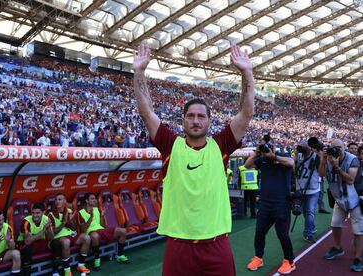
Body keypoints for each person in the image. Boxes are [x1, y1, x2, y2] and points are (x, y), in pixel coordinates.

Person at [133, 43, 254, 276]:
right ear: (183, 121)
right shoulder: (171, 145)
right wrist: (139, 72)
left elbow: (246, 113)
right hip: (179, 245)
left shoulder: (221, 145)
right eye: (190, 116)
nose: (196, 121)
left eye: (201, 116)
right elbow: (146, 112)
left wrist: (246, 73)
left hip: (216, 243)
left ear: (209, 121)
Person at [245, 143, 296, 274]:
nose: (266, 152)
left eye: (268, 148)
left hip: (281, 204)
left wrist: (274, 156)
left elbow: (291, 162)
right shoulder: (262, 160)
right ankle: (258, 257)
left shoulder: (283, 156)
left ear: (274, 149)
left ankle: (289, 261)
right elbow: (247, 165)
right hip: (265, 204)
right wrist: (257, 153)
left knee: (282, 234)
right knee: (259, 232)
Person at [319, 139, 363, 272]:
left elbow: (350, 180)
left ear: (345, 147)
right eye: (334, 147)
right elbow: (321, 174)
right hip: (340, 199)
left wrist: (336, 167)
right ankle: (338, 248)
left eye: (339, 147)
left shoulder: (352, 159)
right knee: (335, 224)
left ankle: (358, 258)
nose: (337, 150)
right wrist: (323, 159)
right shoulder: (328, 158)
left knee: (358, 230)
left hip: (354, 199)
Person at [78, 193, 130, 272]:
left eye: (95, 198)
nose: (94, 200)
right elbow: (84, 229)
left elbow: (101, 224)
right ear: (87, 201)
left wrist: (102, 216)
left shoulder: (97, 209)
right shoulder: (81, 212)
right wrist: (91, 217)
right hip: (91, 232)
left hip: (101, 229)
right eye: (92, 198)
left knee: (123, 231)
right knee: (95, 236)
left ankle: (119, 255)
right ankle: (97, 259)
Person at [48, 193, 91, 276]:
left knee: (86, 237)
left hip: (71, 234)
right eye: (56, 200)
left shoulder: (69, 211)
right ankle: (67, 269)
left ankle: (81, 265)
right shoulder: (51, 214)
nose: (57, 201)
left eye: (60, 199)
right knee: (66, 242)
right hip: (59, 237)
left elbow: (73, 228)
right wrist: (64, 222)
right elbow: (53, 232)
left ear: (64, 201)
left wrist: (71, 221)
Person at [18, 202, 54, 276]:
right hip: (24, 245)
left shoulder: (47, 219)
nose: (35, 215)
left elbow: (51, 238)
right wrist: (44, 230)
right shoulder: (26, 221)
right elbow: (27, 242)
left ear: (43, 212)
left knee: (55, 243)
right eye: (33, 213)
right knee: (27, 248)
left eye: (38, 213)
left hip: (40, 243)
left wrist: (49, 228)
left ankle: (56, 272)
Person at [295, 142, 321, 243]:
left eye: (305, 147)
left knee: (310, 211)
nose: (303, 149)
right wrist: (296, 154)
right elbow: (292, 165)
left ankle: (307, 233)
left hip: (313, 188)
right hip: (300, 188)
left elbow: (321, 170)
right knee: (305, 212)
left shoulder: (315, 156)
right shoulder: (298, 156)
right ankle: (312, 226)